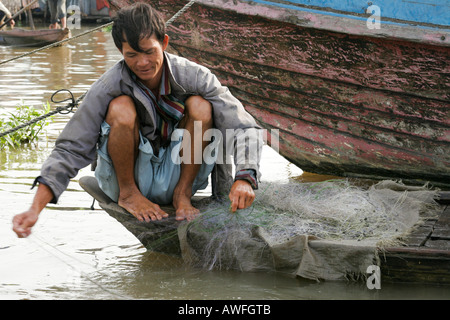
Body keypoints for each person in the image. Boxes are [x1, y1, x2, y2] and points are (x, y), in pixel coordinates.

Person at [12, 3, 262, 238]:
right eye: (131, 55)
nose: (142, 63)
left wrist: (245, 177)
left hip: (180, 173)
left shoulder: (195, 76)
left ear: (164, 43)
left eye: (149, 52)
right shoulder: (109, 85)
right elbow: (70, 147)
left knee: (201, 106)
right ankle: (130, 195)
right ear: (121, 51)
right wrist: (35, 209)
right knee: (121, 107)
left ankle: (182, 196)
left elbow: (242, 125)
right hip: (125, 181)